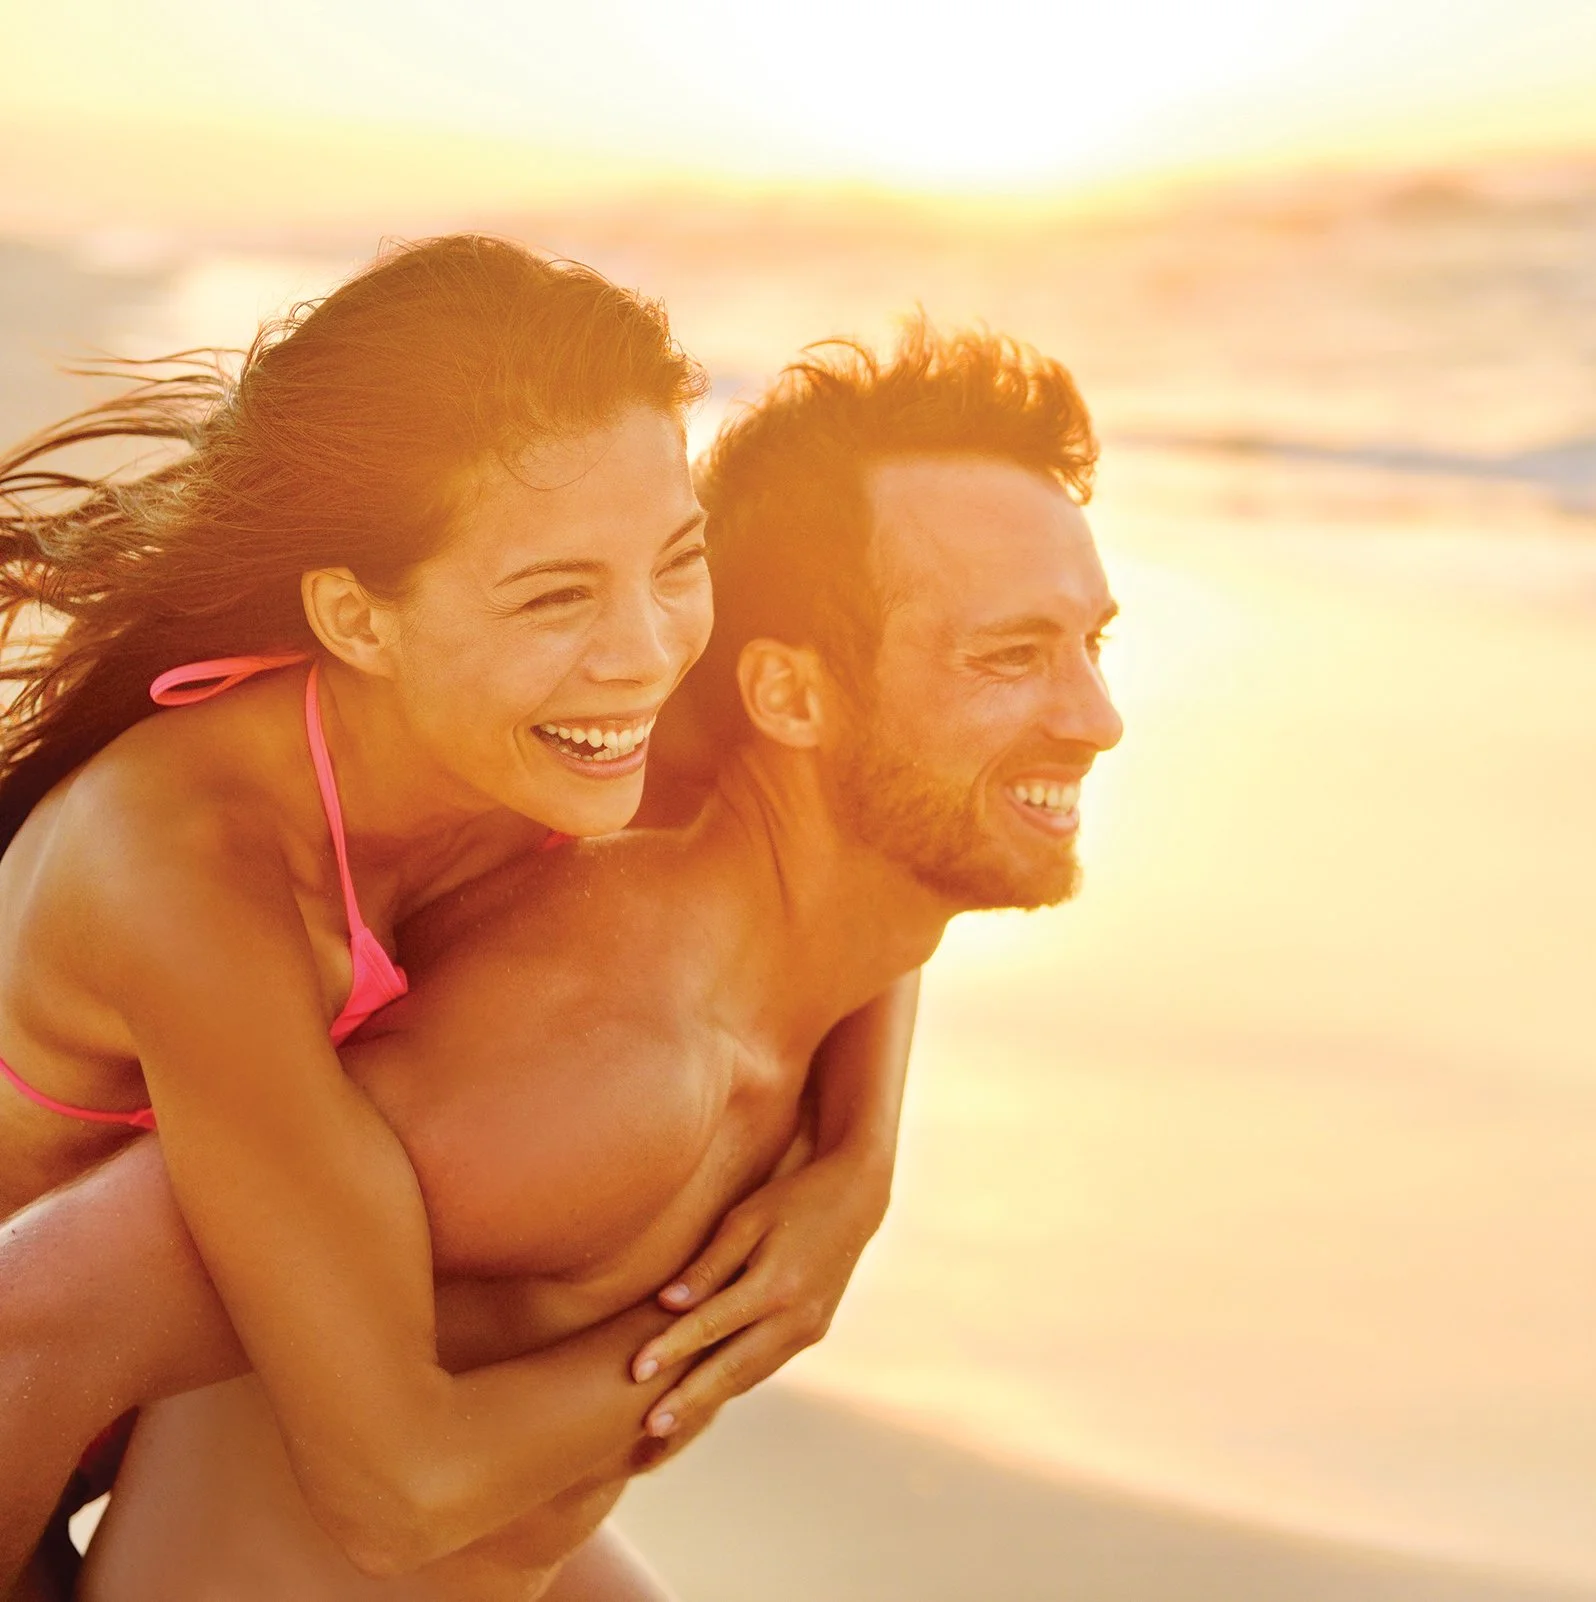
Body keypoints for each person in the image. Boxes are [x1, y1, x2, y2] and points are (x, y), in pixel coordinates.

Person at [0, 323, 1121, 1600]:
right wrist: (720, 1341)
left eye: (1095, 643)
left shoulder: (634, 754)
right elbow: (30, 1324)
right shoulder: (580, 1065)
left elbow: (865, 843)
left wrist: (862, 1162)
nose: (1100, 717)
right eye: (1010, 657)